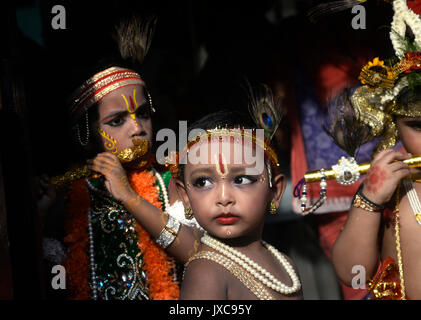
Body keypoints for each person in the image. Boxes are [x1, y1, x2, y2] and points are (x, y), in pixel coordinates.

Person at [89, 107, 303, 300]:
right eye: (203, 182)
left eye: (241, 180)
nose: (223, 197)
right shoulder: (206, 271)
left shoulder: (286, 265)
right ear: (185, 196)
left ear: (275, 192)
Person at [44, 14, 183, 300]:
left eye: (143, 114)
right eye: (117, 121)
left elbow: (193, 250)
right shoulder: (71, 194)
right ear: (88, 133)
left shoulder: (171, 178)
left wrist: (129, 196)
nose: (137, 129)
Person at [331, 0, 421, 300]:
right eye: (418, 126)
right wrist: (370, 199)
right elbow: (351, 272)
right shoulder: (395, 187)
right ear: (394, 125)